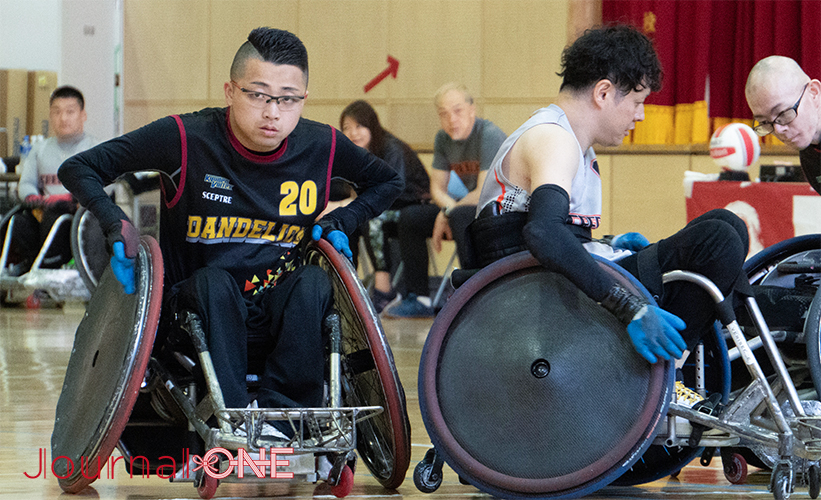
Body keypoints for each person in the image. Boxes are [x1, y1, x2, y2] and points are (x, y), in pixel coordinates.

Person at [59, 28, 402, 438]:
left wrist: (343, 220)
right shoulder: (185, 139)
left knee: (313, 282)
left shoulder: (321, 144)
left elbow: (389, 183)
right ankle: (235, 421)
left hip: (275, 308)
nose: (273, 112)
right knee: (215, 284)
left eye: (288, 98)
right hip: (196, 311)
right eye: (258, 94)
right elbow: (79, 167)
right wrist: (115, 222)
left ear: (303, 100)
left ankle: (282, 422)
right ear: (230, 91)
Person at [473, 25, 749, 435]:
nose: (639, 115)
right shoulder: (552, 139)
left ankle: (682, 373)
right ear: (603, 93)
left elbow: (550, 230)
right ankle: (664, 384)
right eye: (637, 102)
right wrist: (630, 307)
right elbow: (543, 235)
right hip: (534, 302)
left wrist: (607, 245)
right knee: (719, 239)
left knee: (723, 224)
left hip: (552, 288)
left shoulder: (570, 144)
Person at [385, 82, 506, 318]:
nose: (451, 119)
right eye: (443, 113)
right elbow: (436, 189)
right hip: (461, 209)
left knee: (460, 216)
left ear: (472, 109)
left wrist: (448, 213)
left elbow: (484, 192)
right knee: (410, 217)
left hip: (497, 208)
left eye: (458, 110)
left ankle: (472, 296)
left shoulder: (488, 135)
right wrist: (446, 210)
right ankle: (418, 297)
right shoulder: (443, 138)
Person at [340, 100, 431, 313]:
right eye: (346, 128)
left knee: (371, 217)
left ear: (372, 126)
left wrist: (349, 203)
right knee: (346, 218)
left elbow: (391, 192)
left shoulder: (391, 148)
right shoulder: (354, 154)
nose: (353, 133)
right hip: (386, 208)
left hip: (412, 207)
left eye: (359, 126)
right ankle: (347, 287)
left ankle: (384, 291)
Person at [6, 86, 98, 276]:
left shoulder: (95, 149)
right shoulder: (39, 150)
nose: (63, 118)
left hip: (79, 215)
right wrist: (32, 197)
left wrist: (70, 199)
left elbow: (106, 185)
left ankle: (49, 268)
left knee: (56, 216)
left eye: (70, 112)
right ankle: (31, 269)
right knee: (18, 221)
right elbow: (26, 183)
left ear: (83, 115)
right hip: (44, 211)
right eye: (57, 112)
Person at [745, 55, 821, 193]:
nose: (778, 130)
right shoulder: (810, 154)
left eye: (784, 113)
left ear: (814, 92)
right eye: (765, 122)